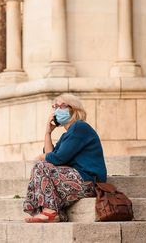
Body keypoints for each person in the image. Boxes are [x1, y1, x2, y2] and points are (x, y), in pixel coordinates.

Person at [23, 93, 107, 222]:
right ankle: (56, 212)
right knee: (41, 166)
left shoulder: (80, 127)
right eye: (55, 106)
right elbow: (51, 157)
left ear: (74, 109)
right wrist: (48, 132)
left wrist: (42, 156)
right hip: (76, 179)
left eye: (62, 106)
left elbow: (58, 158)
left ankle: (50, 212)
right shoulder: (67, 134)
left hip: (89, 181)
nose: (57, 110)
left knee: (40, 165)